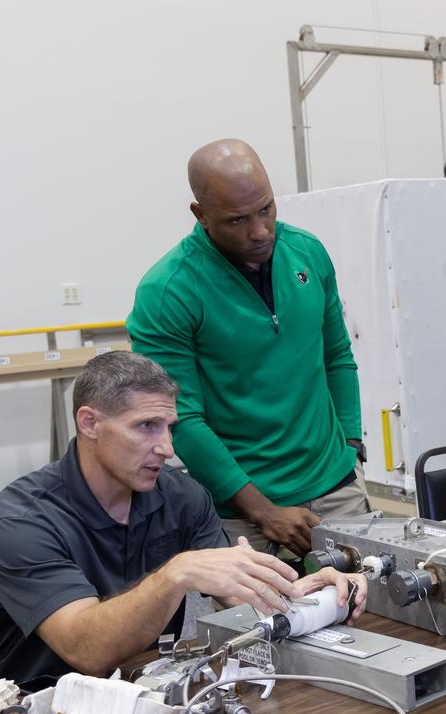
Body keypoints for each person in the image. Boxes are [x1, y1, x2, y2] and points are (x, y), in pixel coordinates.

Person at [0, 351, 365, 684]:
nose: (166, 448)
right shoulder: (22, 521)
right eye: (146, 427)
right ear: (89, 423)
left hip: (144, 692)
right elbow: (88, 651)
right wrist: (174, 574)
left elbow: (244, 593)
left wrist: (306, 592)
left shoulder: (181, 497)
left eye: (169, 428)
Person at [128, 138, 367, 559]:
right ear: (200, 215)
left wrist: (349, 446)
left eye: (266, 209)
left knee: (376, 616)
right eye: (237, 220)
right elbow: (181, 419)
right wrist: (263, 510)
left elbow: (337, 357)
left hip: (338, 488)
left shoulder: (307, 252)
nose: (259, 232)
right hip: (245, 514)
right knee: (262, 625)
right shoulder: (169, 290)